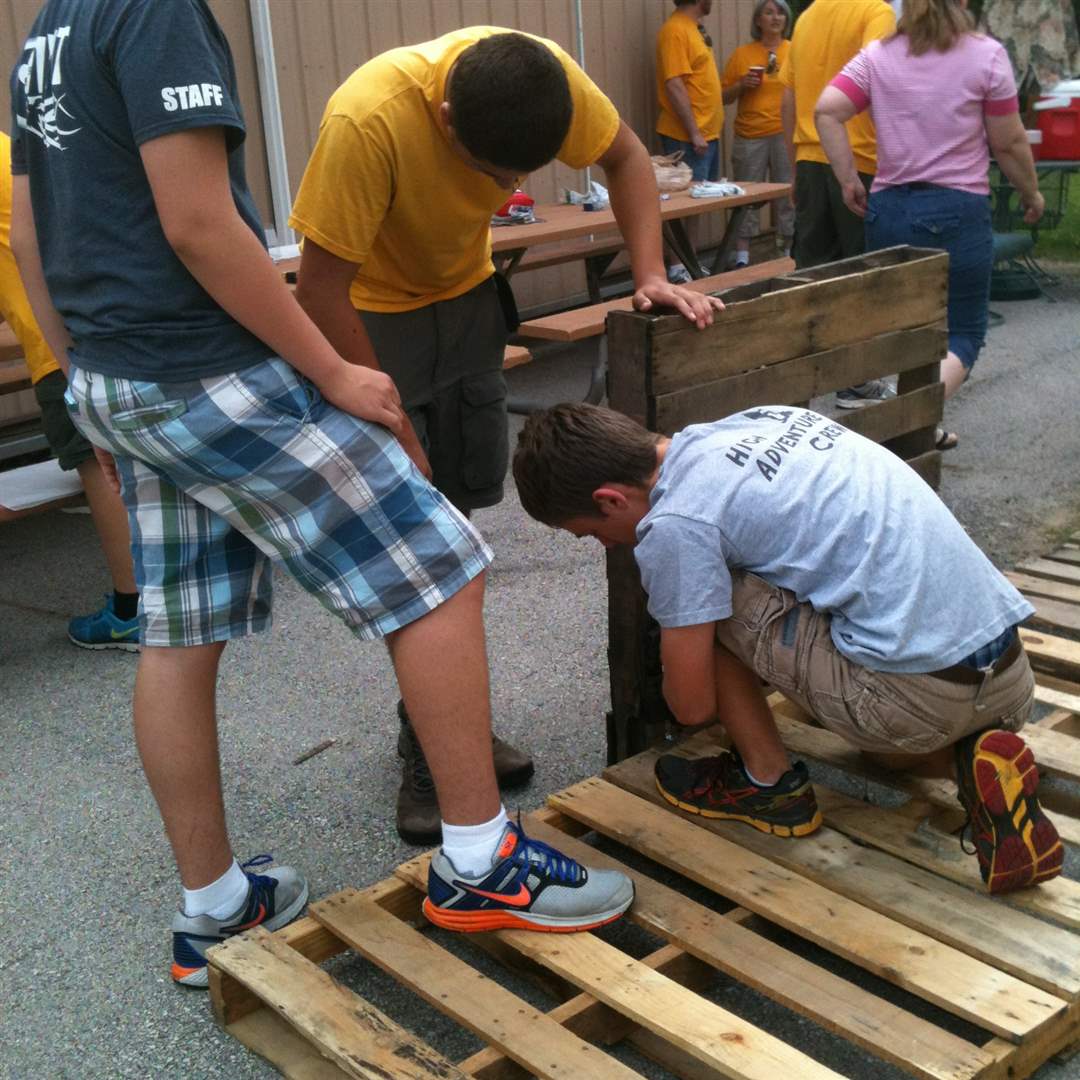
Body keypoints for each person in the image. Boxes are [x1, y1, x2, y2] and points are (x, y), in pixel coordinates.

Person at [10, 0, 634, 988]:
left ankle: (214, 906)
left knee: (179, 632)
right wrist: (334, 372)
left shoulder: (50, 32)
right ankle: (481, 862)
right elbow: (199, 223)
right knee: (439, 565)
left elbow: (29, 232)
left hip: (117, 371)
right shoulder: (156, 10)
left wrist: (84, 381)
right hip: (203, 362)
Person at [289, 26, 722, 845]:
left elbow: (628, 159)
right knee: (412, 540)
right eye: (494, 174)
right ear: (446, 118)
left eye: (522, 174)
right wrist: (380, 407)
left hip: (468, 301)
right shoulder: (367, 119)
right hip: (372, 319)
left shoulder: (543, 77)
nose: (509, 188)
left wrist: (652, 274)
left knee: (458, 525)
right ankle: (430, 750)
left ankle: (448, 719)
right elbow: (318, 288)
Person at [512, 402, 1064, 896]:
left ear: (609, 499)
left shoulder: (677, 523)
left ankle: (768, 785)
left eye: (592, 533)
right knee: (887, 757)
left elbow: (692, 707)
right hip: (1007, 677)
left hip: (909, 703)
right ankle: (974, 766)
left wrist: (680, 623)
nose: (606, 545)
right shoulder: (762, 419)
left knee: (703, 600)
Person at [815, 0, 1044, 453]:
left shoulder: (878, 56)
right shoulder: (985, 55)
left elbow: (827, 109)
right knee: (963, 334)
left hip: (889, 212)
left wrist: (848, 180)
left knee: (910, 330)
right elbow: (1008, 142)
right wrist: (1031, 193)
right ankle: (903, 420)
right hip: (956, 212)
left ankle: (921, 425)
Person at [0, 131, 140, 650]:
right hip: (111, 318)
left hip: (55, 341)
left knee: (95, 464)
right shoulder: (18, 149)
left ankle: (133, 612)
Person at [778, 0, 897, 410]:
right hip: (858, 160)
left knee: (811, 277)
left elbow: (789, 98)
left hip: (810, 159)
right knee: (862, 276)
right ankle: (856, 381)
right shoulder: (875, 13)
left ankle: (797, 392)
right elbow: (882, 82)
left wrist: (795, 167)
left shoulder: (807, 17)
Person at [721, 0, 796, 266]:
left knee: (788, 193)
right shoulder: (742, 54)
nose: (776, 18)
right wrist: (742, 85)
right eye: (769, 12)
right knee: (746, 194)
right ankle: (742, 256)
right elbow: (723, 97)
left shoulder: (794, 50)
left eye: (781, 13)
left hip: (785, 133)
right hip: (750, 134)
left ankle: (786, 251)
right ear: (758, 20)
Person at [655, 0, 724, 283]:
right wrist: (694, 131)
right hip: (686, 136)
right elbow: (674, 83)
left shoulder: (694, 28)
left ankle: (689, 263)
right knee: (681, 203)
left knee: (696, 204)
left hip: (706, 133)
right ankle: (676, 267)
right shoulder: (675, 30)